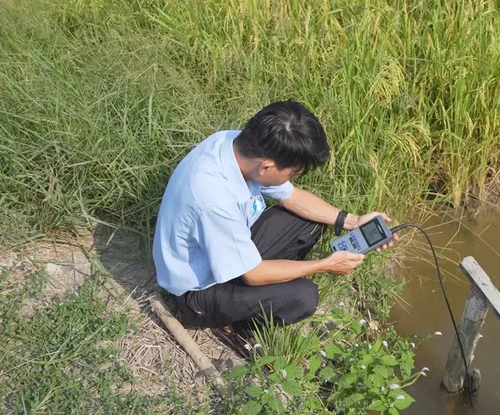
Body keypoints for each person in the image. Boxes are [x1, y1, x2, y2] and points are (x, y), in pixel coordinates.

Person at [152, 100, 395, 335]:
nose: (291, 179)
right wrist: (325, 265)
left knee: (312, 221)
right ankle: (240, 328)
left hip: (220, 254)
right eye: (291, 173)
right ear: (266, 167)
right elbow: (254, 275)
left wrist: (353, 220)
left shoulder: (234, 144)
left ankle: (263, 295)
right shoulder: (215, 199)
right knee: (303, 297)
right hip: (197, 293)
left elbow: (291, 196)